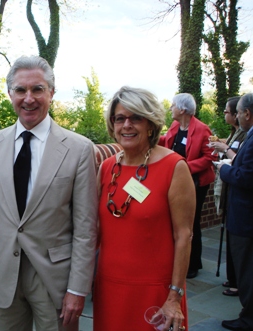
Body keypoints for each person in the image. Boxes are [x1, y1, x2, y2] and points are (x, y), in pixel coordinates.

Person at [0, 55, 98, 331]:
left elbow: (86, 228)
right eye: (20, 90)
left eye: (37, 89)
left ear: (51, 93)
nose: (29, 98)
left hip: (54, 278)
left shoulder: (79, 149)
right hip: (2, 271)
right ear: (10, 94)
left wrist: (78, 288)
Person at [94, 86, 194, 331]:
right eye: (120, 118)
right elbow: (95, 229)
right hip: (109, 286)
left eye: (135, 117)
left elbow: (184, 235)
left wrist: (174, 296)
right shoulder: (107, 167)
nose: (126, 125)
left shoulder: (174, 167)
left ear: (150, 124)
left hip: (154, 291)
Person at [159, 93, 216, 279]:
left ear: (182, 109)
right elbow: (166, 142)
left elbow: (210, 157)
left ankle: (193, 264)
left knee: (191, 223)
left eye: (173, 105)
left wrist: (184, 168)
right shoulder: (176, 126)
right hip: (177, 181)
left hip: (196, 182)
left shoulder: (202, 129)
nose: (170, 108)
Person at [218, 93, 253, 331]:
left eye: (238, 112)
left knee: (247, 268)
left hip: (246, 218)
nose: (237, 116)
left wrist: (223, 169)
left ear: (247, 114)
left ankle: (249, 317)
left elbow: (246, 177)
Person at [208, 96, 247, 297]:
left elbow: (243, 172)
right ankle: (234, 278)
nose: (225, 114)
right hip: (232, 196)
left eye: (228, 111)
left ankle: (239, 284)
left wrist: (224, 161)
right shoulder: (237, 133)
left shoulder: (246, 136)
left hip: (241, 202)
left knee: (241, 248)